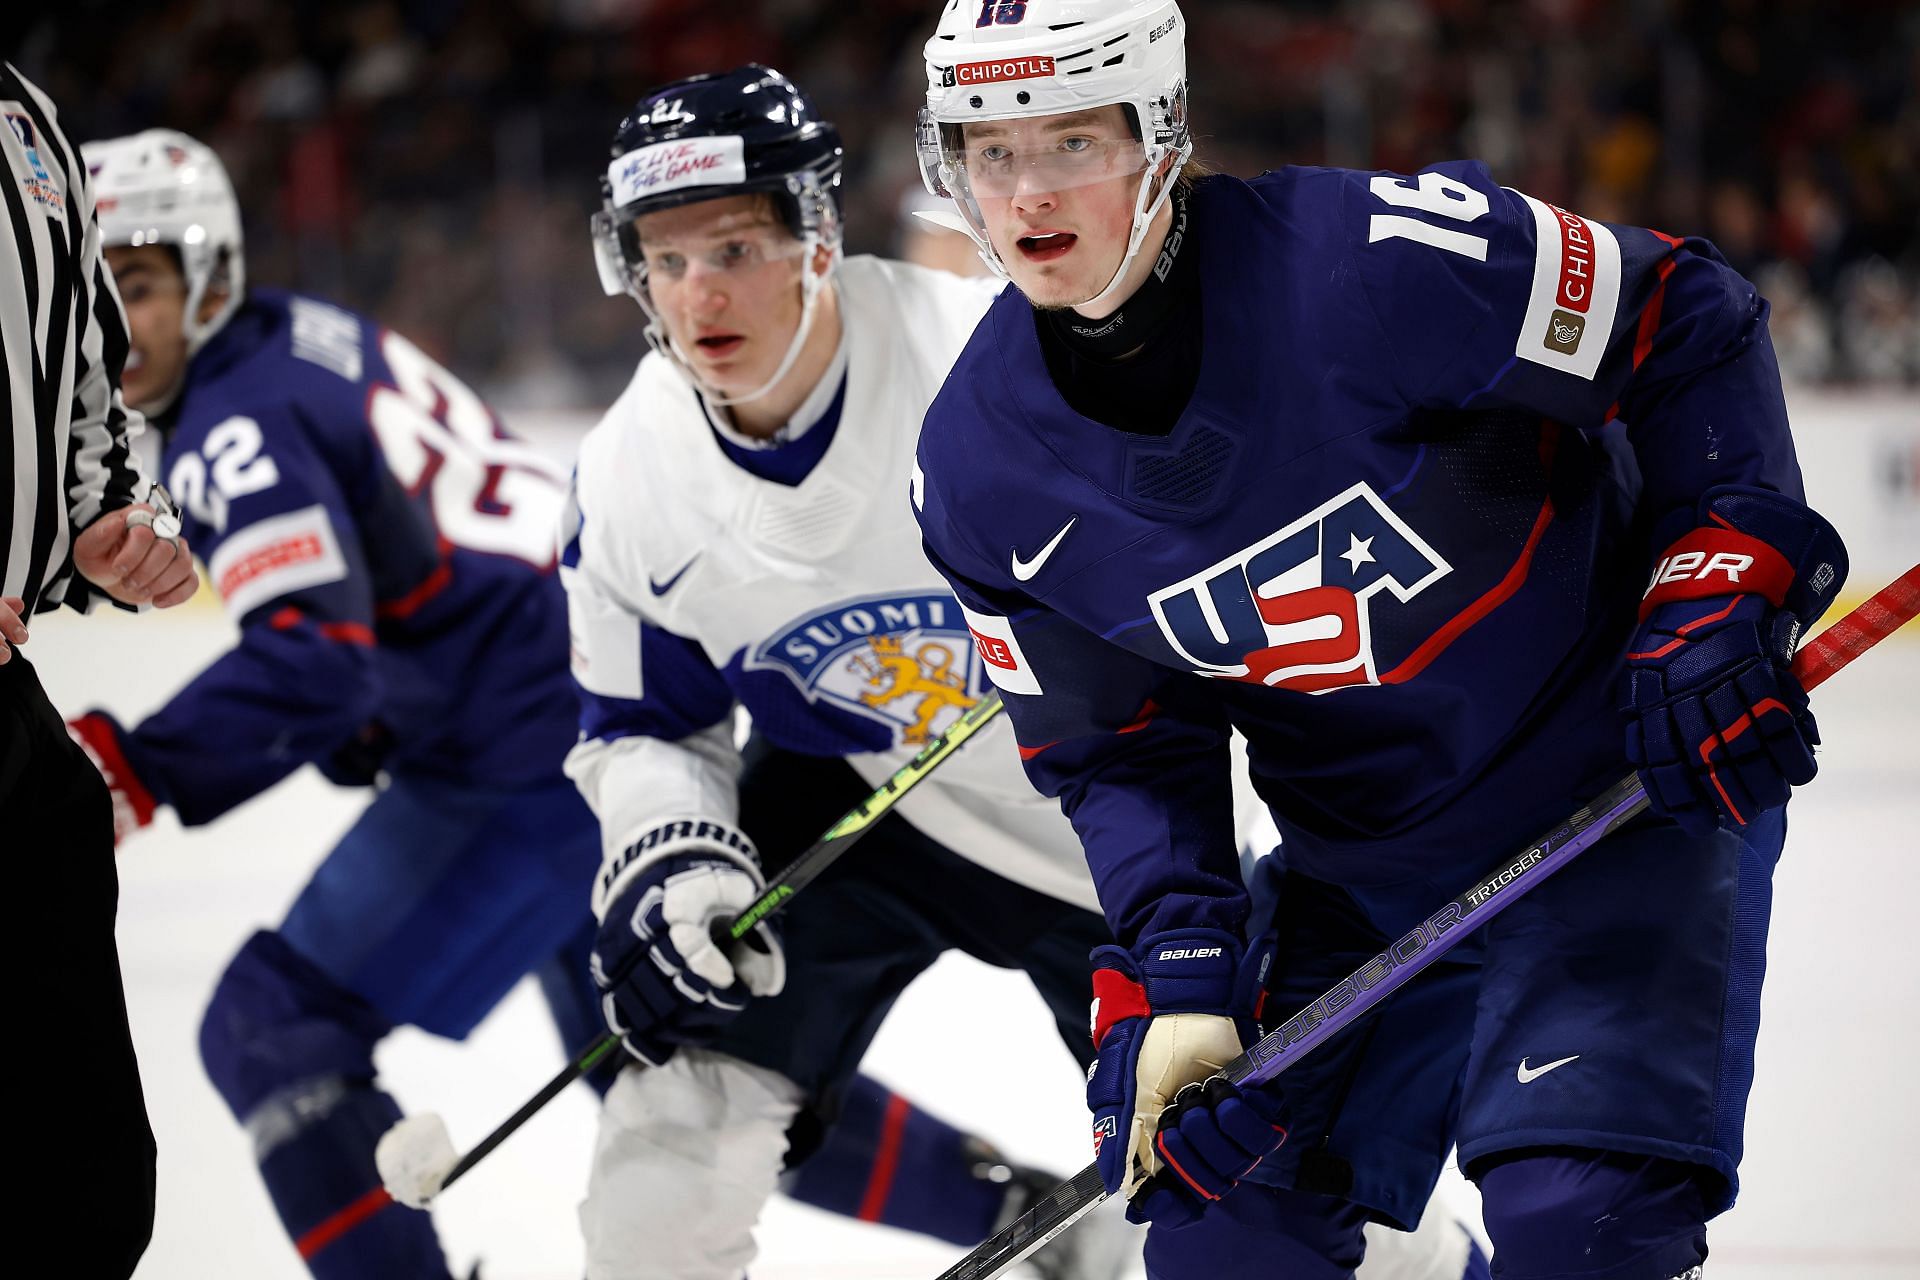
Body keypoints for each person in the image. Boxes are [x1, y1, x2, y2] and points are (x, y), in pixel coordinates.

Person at [907, 2, 1850, 1278]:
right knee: (1221, 1235)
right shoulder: (977, 470)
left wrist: (1719, 589)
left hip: (1620, 790)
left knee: (1579, 1226)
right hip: (1361, 865)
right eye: (990, 152)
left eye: (1072, 141)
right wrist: (1183, 963)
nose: (1026, 194)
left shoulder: (1381, 260)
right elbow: (1120, 747)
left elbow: (1685, 318)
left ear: (1163, 131)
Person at [567, 64, 1486, 1280]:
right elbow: (641, 716)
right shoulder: (630, 468)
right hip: (855, 802)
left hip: (1126, 824)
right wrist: (674, 843)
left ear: (816, 236)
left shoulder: (987, 364)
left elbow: (1219, 547)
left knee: (1270, 1177)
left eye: (733, 245)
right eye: (664, 259)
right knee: (659, 1157)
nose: (698, 295)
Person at [72, 127, 607, 1280]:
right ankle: (1007, 1203)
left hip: (524, 748)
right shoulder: (297, 338)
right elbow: (411, 562)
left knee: (270, 1028)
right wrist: (388, 706)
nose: (111, 324)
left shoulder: (232, 420)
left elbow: (316, 659)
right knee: (667, 1065)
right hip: (591, 698)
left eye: (138, 283)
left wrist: (132, 763)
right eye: (86, 290)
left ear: (208, 275)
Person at [2, 61, 199, 1280]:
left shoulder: (25, 122)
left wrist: (111, 516)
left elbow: (82, 376)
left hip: (5, 713)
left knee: (80, 1183)